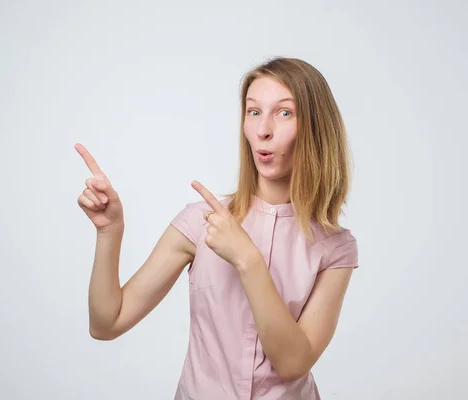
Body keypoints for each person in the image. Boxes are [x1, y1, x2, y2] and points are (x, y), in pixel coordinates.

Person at [76, 56, 359, 400]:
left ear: (316, 126)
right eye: (254, 111)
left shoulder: (336, 247)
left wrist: (247, 259)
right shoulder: (201, 221)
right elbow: (106, 324)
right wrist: (110, 233)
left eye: (284, 112)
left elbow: (292, 363)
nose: (263, 129)